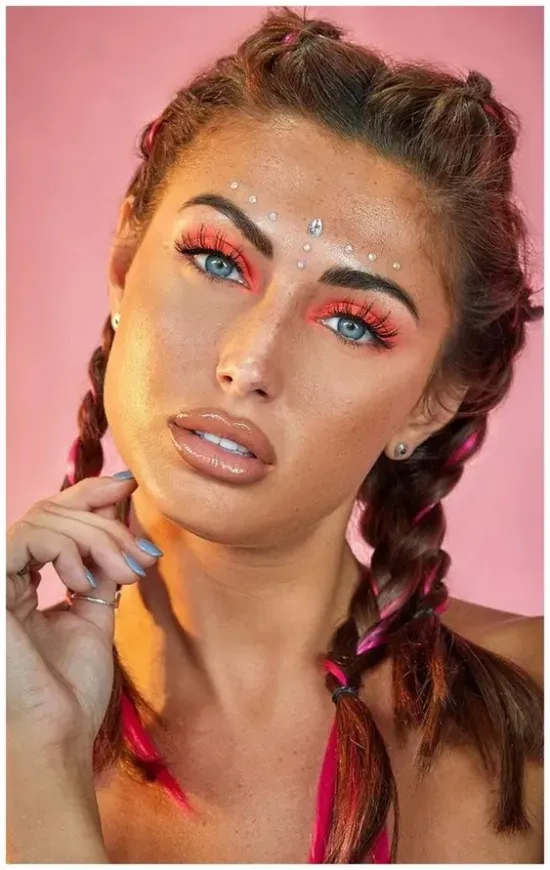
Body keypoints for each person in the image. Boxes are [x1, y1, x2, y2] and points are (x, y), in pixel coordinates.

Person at [7, 7, 543, 864]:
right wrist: (29, 748)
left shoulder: (534, 707)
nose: (249, 361)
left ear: (433, 402)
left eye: (355, 323)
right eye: (218, 261)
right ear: (125, 257)